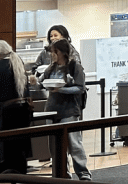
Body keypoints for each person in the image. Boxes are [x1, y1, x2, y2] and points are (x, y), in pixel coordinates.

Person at [39, 39, 90, 180]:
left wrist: (61, 90)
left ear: (62, 52)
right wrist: (35, 82)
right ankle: (61, 174)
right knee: (54, 146)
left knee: (74, 144)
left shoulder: (75, 66)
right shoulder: (50, 68)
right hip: (51, 110)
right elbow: (41, 82)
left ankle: (83, 174)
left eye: (55, 51)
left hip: (69, 110)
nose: (52, 55)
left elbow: (80, 88)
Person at [0, 40, 32, 174]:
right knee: (19, 157)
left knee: (5, 160)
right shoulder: (17, 63)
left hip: (4, 119)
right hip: (22, 116)